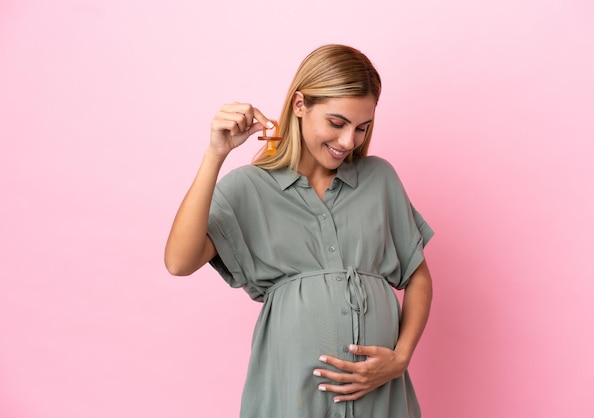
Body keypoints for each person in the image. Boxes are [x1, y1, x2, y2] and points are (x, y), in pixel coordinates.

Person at [164, 44, 434, 418]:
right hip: (289, 395)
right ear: (299, 105)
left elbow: (418, 275)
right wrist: (215, 154)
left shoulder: (379, 179)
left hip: (379, 397)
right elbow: (179, 262)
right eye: (337, 123)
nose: (348, 141)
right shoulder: (248, 188)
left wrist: (401, 358)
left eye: (362, 128)